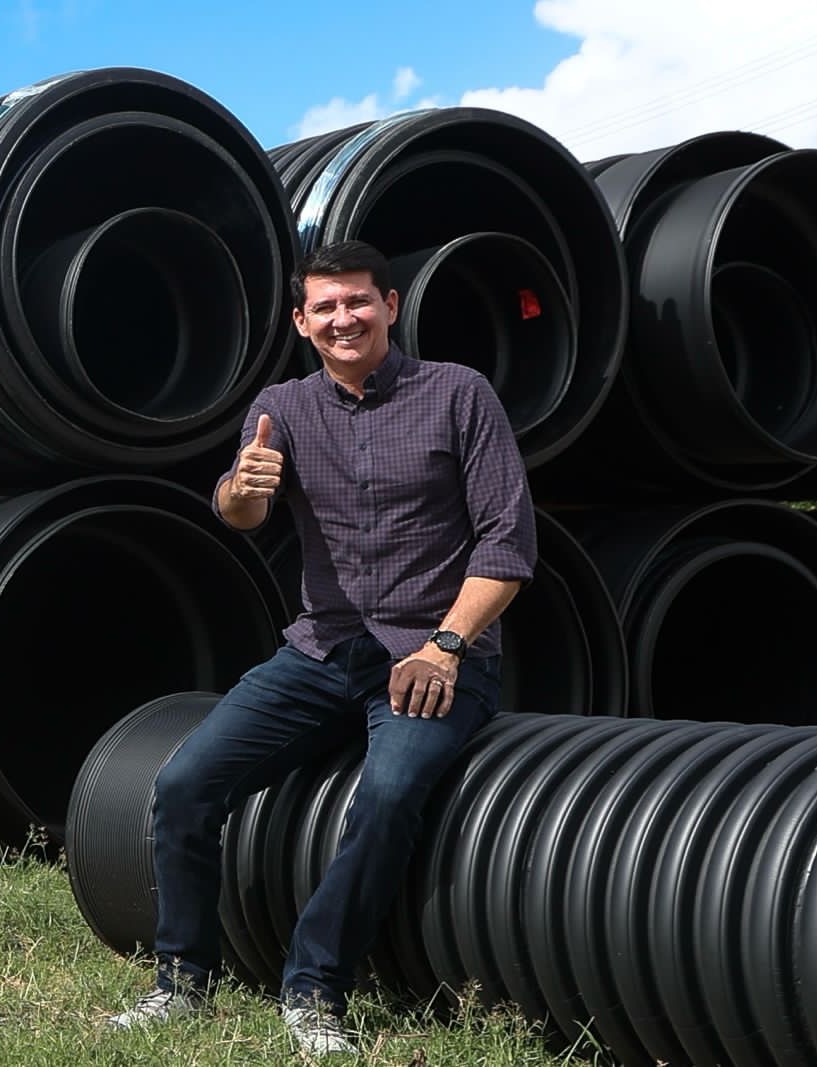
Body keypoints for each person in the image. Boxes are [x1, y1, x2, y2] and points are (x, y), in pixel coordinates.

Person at [106, 239, 537, 1055]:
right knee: (187, 782)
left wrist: (446, 644)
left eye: (359, 301)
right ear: (304, 321)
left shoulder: (459, 394)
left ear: (391, 307)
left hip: (434, 655)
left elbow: (507, 545)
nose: (345, 318)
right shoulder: (283, 407)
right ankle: (182, 981)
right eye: (326, 307)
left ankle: (313, 986)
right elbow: (240, 511)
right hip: (322, 650)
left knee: (387, 797)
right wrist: (241, 488)